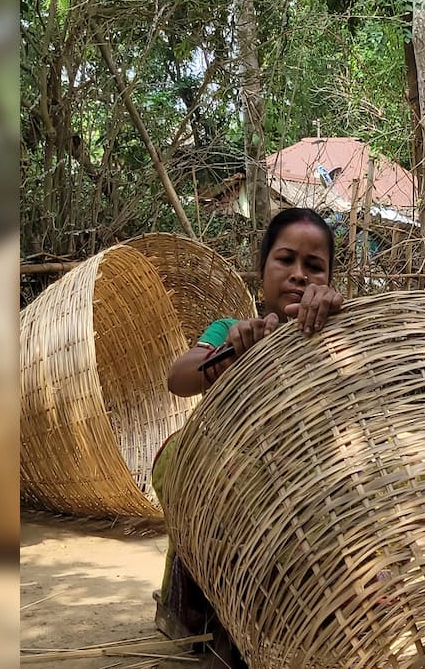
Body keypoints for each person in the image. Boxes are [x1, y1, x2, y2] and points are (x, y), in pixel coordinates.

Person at [152, 207, 345, 668]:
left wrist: (338, 322)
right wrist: (225, 355)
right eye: (285, 260)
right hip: (234, 504)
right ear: (262, 274)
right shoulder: (230, 331)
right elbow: (178, 378)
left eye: (314, 267)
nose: (299, 275)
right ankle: (226, 612)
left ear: (329, 280)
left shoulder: (337, 334)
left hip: (305, 496)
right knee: (181, 456)